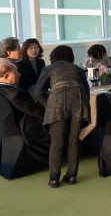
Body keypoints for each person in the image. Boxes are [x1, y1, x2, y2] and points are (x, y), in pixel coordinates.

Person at [31, 45, 90, 188]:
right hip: (79, 104)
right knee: (73, 142)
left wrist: (48, 104)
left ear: (53, 56)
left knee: (56, 143)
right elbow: (87, 91)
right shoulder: (77, 69)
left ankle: (54, 179)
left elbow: (38, 91)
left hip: (57, 106)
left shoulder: (49, 69)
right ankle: (71, 176)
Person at [0, 60, 50, 162]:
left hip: (5, 131)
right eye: (15, 72)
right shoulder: (15, 94)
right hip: (27, 128)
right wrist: (51, 115)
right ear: (6, 76)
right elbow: (34, 111)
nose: (19, 74)